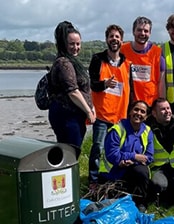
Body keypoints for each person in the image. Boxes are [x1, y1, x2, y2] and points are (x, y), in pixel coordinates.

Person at [88, 24, 133, 190]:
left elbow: (131, 88)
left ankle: (114, 178)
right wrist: (104, 84)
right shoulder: (97, 59)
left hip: (120, 115)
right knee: (97, 148)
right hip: (101, 114)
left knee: (118, 148)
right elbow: (91, 84)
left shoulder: (127, 62)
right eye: (111, 36)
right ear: (106, 39)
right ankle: (93, 179)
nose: (114, 39)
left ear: (121, 40)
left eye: (117, 37)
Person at [48, 21, 96, 152]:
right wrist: (88, 111)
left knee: (73, 150)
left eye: (78, 44)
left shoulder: (72, 62)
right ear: (64, 44)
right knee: (70, 152)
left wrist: (92, 107)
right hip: (66, 116)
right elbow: (73, 91)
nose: (76, 47)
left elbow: (84, 89)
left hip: (74, 116)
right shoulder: (64, 63)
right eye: (72, 44)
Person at [99, 100, 154, 213]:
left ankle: (141, 203)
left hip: (134, 168)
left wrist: (134, 161)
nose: (138, 113)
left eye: (142, 111)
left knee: (143, 172)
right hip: (114, 171)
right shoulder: (117, 129)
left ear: (146, 116)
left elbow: (149, 156)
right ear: (130, 112)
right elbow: (112, 154)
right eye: (136, 109)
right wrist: (133, 156)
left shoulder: (147, 131)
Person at [120, 16, 166, 106]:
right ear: (133, 31)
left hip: (150, 105)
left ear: (150, 33)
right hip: (127, 104)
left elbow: (161, 83)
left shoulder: (157, 53)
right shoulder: (122, 50)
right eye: (139, 30)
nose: (142, 33)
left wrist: (161, 104)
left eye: (146, 31)